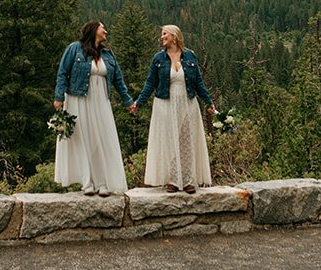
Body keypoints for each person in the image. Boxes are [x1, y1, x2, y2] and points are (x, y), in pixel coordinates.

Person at [53, 20, 134, 196]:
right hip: (78, 99)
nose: (105, 30)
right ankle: (87, 182)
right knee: (83, 139)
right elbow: (63, 73)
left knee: (101, 139)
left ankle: (102, 182)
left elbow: (118, 80)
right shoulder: (74, 49)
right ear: (93, 30)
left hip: (100, 102)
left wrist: (128, 102)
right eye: (102, 27)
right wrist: (59, 97)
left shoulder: (108, 54)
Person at [133, 24, 216, 193]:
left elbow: (198, 82)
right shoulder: (158, 58)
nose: (162, 37)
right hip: (165, 104)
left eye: (165, 34)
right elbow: (150, 83)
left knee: (186, 140)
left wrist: (208, 101)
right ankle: (172, 180)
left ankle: (187, 180)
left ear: (174, 36)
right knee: (169, 141)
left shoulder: (190, 56)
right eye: (162, 34)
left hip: (188, 103)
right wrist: (139, 102)